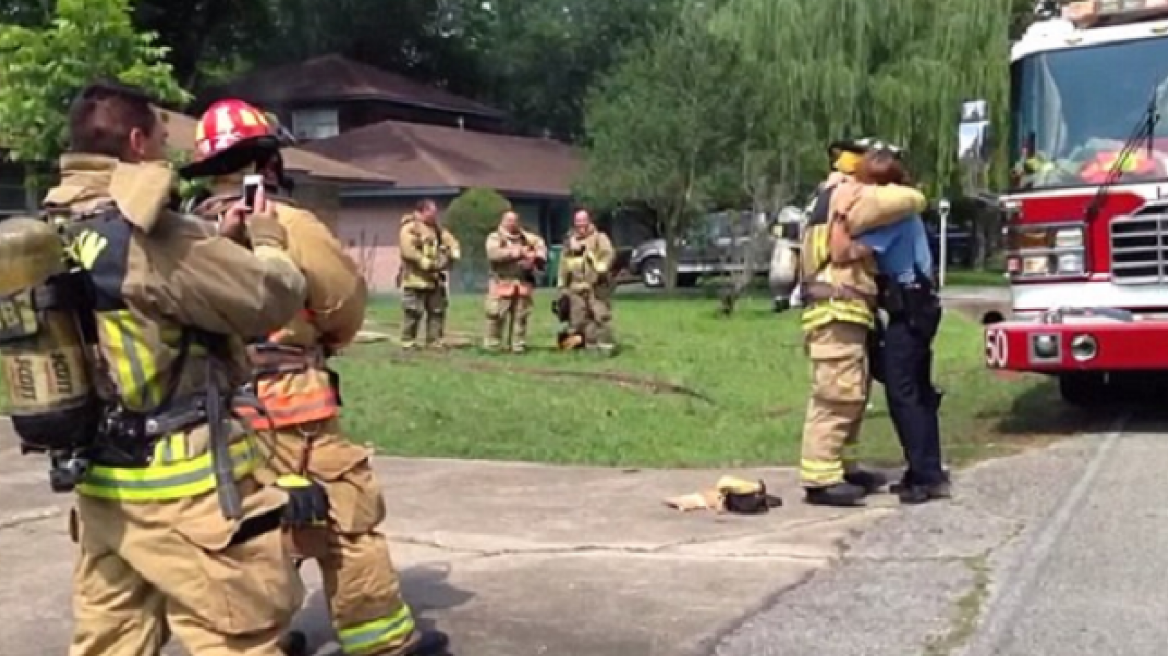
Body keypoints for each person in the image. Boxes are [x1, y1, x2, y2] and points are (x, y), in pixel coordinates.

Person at [44, 80, 308, 656]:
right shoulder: (150, 235)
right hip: (186, 493)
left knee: (109, 642)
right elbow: (271, 299)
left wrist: (217, 241)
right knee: (238, 636)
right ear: (138, 142)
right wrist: (265, 241)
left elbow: (138, 302)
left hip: (101, 489)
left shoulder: (55, 228)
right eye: (164, 139)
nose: (169, 152)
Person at [180, 98, 449, 656]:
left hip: (208, 409)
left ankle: (263, 639)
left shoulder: (182, 231)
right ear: (270, 163)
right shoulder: (289, 223)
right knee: (343, 511)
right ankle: (382, 644)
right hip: (288, 405)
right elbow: (343, 303)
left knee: (246, 522)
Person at [796, 143, 926, 507]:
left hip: (843, 309)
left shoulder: (827, 197)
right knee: (838, 395)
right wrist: (894, 185)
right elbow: (910, 200)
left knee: (852, 392)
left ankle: (843, 466)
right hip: (836, 308)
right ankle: (821, 477)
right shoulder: (853, 198)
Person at [829, 150, 949, 505]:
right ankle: (926, 469)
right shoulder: (904, 214)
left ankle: (925, 477)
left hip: (909, 309)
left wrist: (838, 213)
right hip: (919, 306)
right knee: (918, 390)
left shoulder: (892, 219)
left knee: (903, 393)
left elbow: (841, 252)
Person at [398, 199, 461, 350]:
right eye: (430, 212)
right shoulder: (410, 228)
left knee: (437, 312)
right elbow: (407, 250)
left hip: (435, 280)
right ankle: (408, 342)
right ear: (420, 212)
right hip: (415, 279)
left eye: (434, 213)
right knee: (413, 312)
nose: (434, 216)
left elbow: (451, 241)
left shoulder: (438, 230)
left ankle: (434, 342)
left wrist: (453, 252)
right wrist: (423, 261)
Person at [484, 209, 548, 353]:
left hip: (522, 282)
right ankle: (492, 346)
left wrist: (534, 258)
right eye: (509, 220)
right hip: (501, 282)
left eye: (514, 221)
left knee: (521, 317)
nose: (512, 224)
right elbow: (493, 254)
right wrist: (517, 252)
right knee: (496, 315)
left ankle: (518, 345)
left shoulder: (528, 238)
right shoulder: (495, 237)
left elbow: (541, 249)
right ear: (502, 221)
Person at [556, 209, 616, 354]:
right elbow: (563, 264)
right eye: (578, 222)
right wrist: (562, 285)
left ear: (589, 221)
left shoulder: (599, 238)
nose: (581, 225)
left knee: (600, 316)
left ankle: (605, 347)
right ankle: (586, 346)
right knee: (578, 319)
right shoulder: (569, 241)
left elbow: (608, 255)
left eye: (583, 221)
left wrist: (600, 268)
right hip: (576, 287)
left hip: (596, 287)